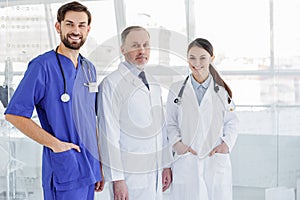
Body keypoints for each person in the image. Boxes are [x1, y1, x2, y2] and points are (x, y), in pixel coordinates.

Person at [4, 1, 104, 199]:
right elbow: (14, 114)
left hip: (89, 168)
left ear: (88, 29)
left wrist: (99, 163)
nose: (76, 30)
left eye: (81, 25)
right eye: (70, 24)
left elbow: (91, 118)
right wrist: (56, 145)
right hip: (64, 168)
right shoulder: (42, 66)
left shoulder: (89, 68)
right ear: (58, 26)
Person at [97, 26, 172, 200]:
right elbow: (108, 134)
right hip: (129, 175)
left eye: (146, 45)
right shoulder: (111, 84)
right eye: (135, 45)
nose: (142, 51)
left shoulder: (153, 84)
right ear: (122, 49)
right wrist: (117, 179)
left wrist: (166, 164)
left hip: (154, 171)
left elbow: (161, 129)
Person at [166, 38, 239, 200]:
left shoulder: (221, 91)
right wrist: (177, 144)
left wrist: (226, 145)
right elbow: (170, 123)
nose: (196, 62)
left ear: (212, 59)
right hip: (186, 160)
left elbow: (232, 121)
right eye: (192, 57)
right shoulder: (176, 89)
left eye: (202, 58)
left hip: (214, 160)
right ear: (187, 58)